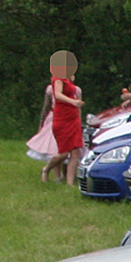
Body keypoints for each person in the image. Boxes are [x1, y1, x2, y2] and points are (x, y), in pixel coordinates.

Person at [40, 51, 84, 183]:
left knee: (76, 151)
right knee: (64, 152)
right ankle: (46, 169)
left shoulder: (69, 79)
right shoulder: (57, 78)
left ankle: (70, 183)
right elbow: (58, 95)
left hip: (73, 117)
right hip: (62, 117)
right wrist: (73, 102)